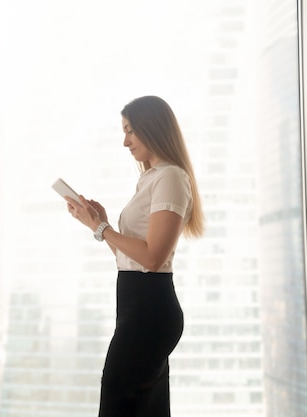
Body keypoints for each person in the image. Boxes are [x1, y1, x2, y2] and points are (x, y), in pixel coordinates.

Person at [64, 95, 204, 417]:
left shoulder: (170, 177)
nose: (125, 141)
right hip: (138, 309)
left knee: (117, 404)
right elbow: (133, 259)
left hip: (148, 313)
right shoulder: (152, 178)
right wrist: (101, 226)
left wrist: (101, 228)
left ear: (151, 128)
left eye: (130, 131)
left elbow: (153, 258)